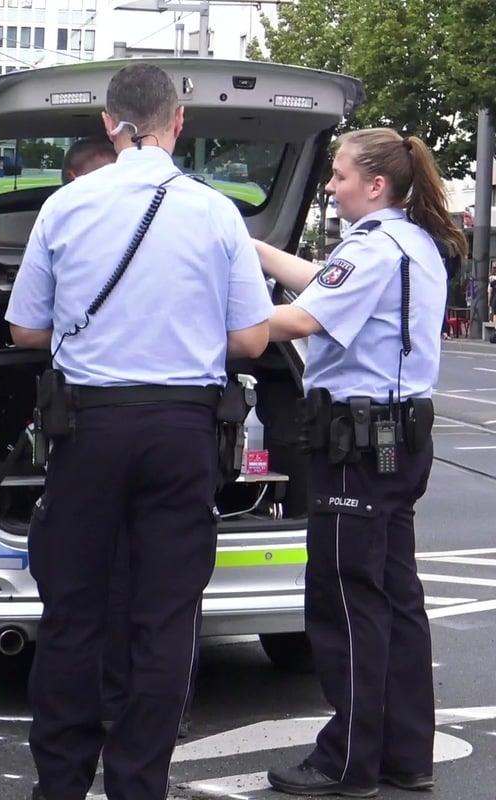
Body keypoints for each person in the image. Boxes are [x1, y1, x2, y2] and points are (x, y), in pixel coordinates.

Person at [5, 63, 271, 800]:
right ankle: (138, 786)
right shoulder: (217, 212)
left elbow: (26, 326)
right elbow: (251, 340)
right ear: (178, 121)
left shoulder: (67, 204)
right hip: (184, 430)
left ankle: (58, 785)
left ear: (107, 123)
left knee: (73, 615)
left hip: (90, 429)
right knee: (165, 617)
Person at [257, 128, 464, 797]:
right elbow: (323, 284)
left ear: (375, 185)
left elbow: (302, 320)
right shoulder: (412, 243)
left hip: (357, 446)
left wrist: (215, 315)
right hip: (397, 442)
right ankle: (406, 754)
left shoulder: (374, 248)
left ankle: (346, 762)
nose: (330, 184)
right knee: (396, 599)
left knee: (346, 603)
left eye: (340, 174)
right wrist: (253, 249)